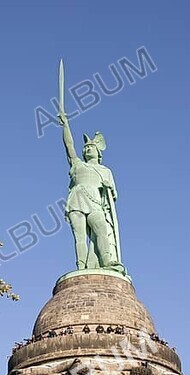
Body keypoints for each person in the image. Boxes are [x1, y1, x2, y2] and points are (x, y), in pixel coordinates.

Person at [55, 109, 125, 274]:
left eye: (90, 147)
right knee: (79, 236)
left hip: (95, 203)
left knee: (101, 228)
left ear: (98, 152)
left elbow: (113, 196)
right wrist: (65, 125)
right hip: (76, 201)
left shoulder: (105, 171)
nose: (87, 149)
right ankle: (81, 267)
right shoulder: (77, 164)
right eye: (85, 147)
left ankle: (107, 260)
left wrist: (108, 187)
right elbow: (69, 145)